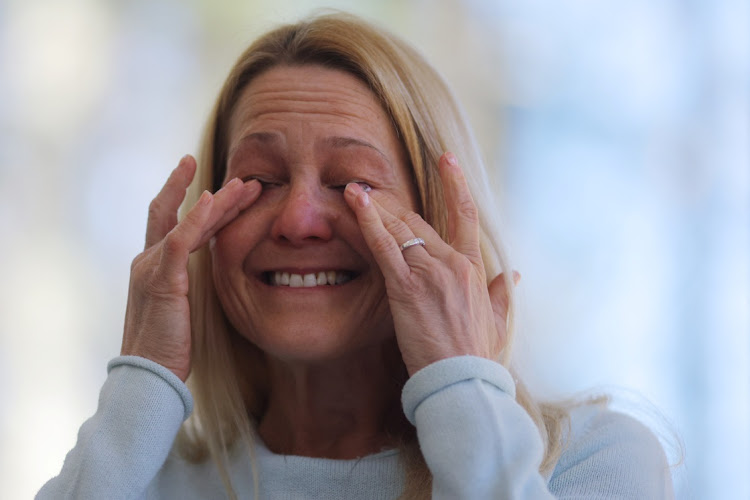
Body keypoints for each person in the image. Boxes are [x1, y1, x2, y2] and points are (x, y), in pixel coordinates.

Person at [37, 11, 673, 499]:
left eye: (354, 184)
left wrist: (464, 390)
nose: (297, 220)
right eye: (258, 180)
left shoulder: (591, 461)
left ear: (445, 228)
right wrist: (140, 387)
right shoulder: (134, 477)